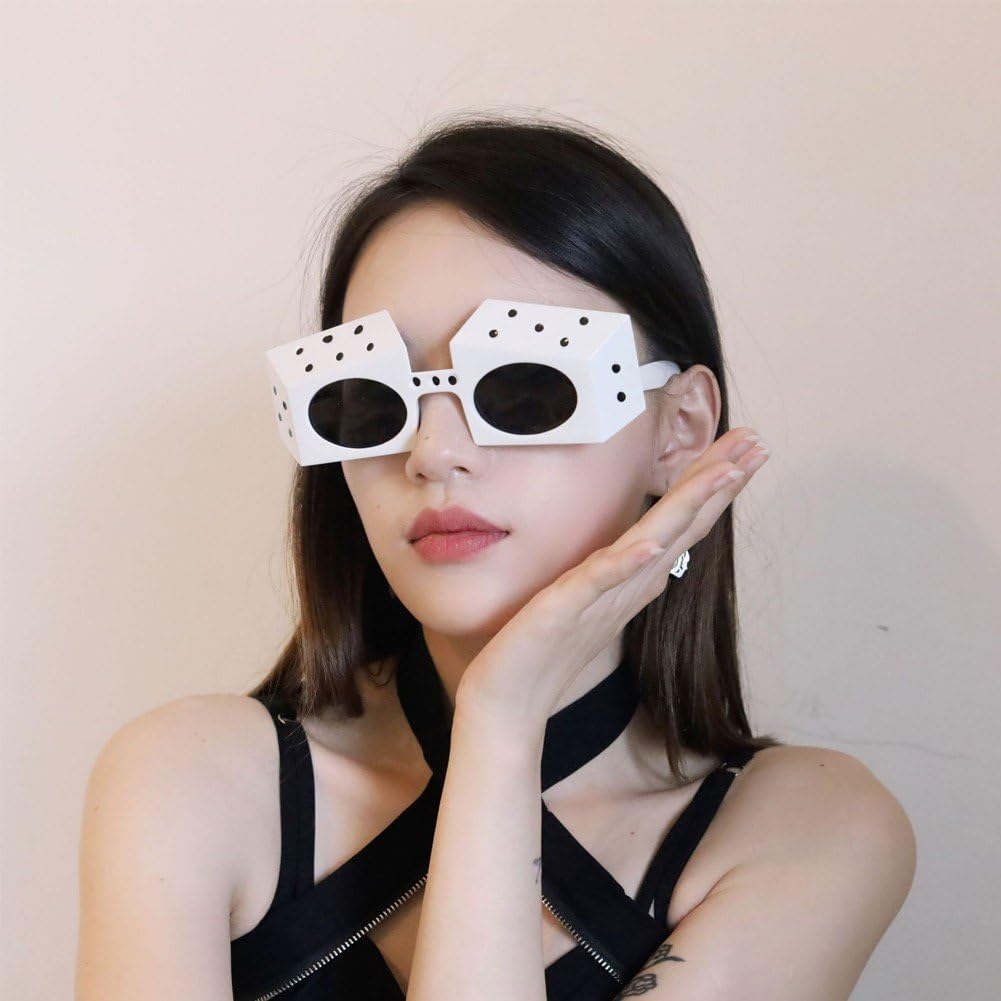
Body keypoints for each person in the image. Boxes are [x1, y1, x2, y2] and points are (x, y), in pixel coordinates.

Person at [75, 112, 916, 1001]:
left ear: (678, 429)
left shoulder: (804, 828)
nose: (433, 452)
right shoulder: (196, 779)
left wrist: (500, 725)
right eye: (372, 396)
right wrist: (500, 723)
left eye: (523, 388)